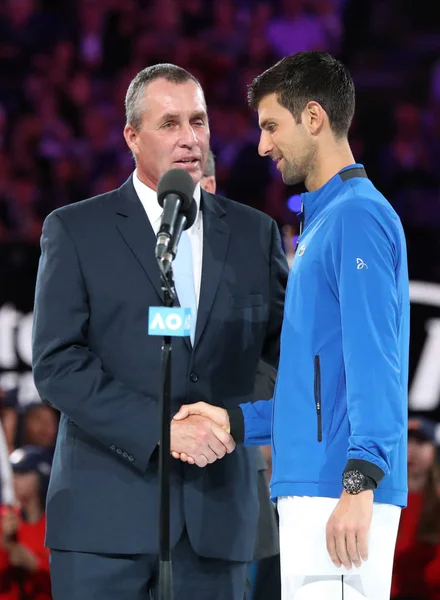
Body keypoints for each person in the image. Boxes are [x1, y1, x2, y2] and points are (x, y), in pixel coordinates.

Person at [31, 63, 288, 600]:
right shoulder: (76, 230)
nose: (190, 138)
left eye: (198, 122)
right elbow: (59, 362)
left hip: (216, 523)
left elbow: (279, 352)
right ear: (131, 136)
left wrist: (230, 421)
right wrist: (161, 429)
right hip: (103, 523)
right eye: (169, 123)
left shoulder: (252, 233)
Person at [173, 51, 410, 600]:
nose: (262, 145)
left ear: (313, 117)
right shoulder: (325, 220)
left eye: (271, 125)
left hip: (340, 491)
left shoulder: (356, 216)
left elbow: (377, 362)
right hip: (316, 486)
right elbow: (317, 393)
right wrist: (234, 420)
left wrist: (361, 480)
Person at [200, 150, 281, 600]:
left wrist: (229, 415)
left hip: (234, 479)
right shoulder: (135, 258)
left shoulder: (253, 248)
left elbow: (280, 353)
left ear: (208, 186)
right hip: (147, 489)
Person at [391, 417, 440, 599]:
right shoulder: (379, 500)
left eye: (420, 442)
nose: (410, 451)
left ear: (433, 449)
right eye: (405, 442)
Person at [0, 445, 52, 600]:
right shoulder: (5, 518)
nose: (15, 479)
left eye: (23, 473)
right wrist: (5, 544)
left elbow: (65, 576)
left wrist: (34, 564)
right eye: (14, 473)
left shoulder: (55, 524)